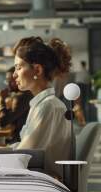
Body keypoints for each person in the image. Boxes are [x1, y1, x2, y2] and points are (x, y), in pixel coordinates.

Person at [11, 36, 72, 178]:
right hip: (39, 175)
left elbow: (22, 156)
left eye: (19, 67)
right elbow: (24, 148)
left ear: (37, 70)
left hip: (42, 179)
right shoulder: (44, 104)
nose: (14, 74)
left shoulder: (47, 107)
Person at [0, 66, 33, 144]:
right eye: (7, 80)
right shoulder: (27, 94)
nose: (8, 84)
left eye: (11, 81)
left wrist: (1, 100)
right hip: (19, 140)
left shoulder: (21, 97)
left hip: (18, 142)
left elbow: (3, 122)